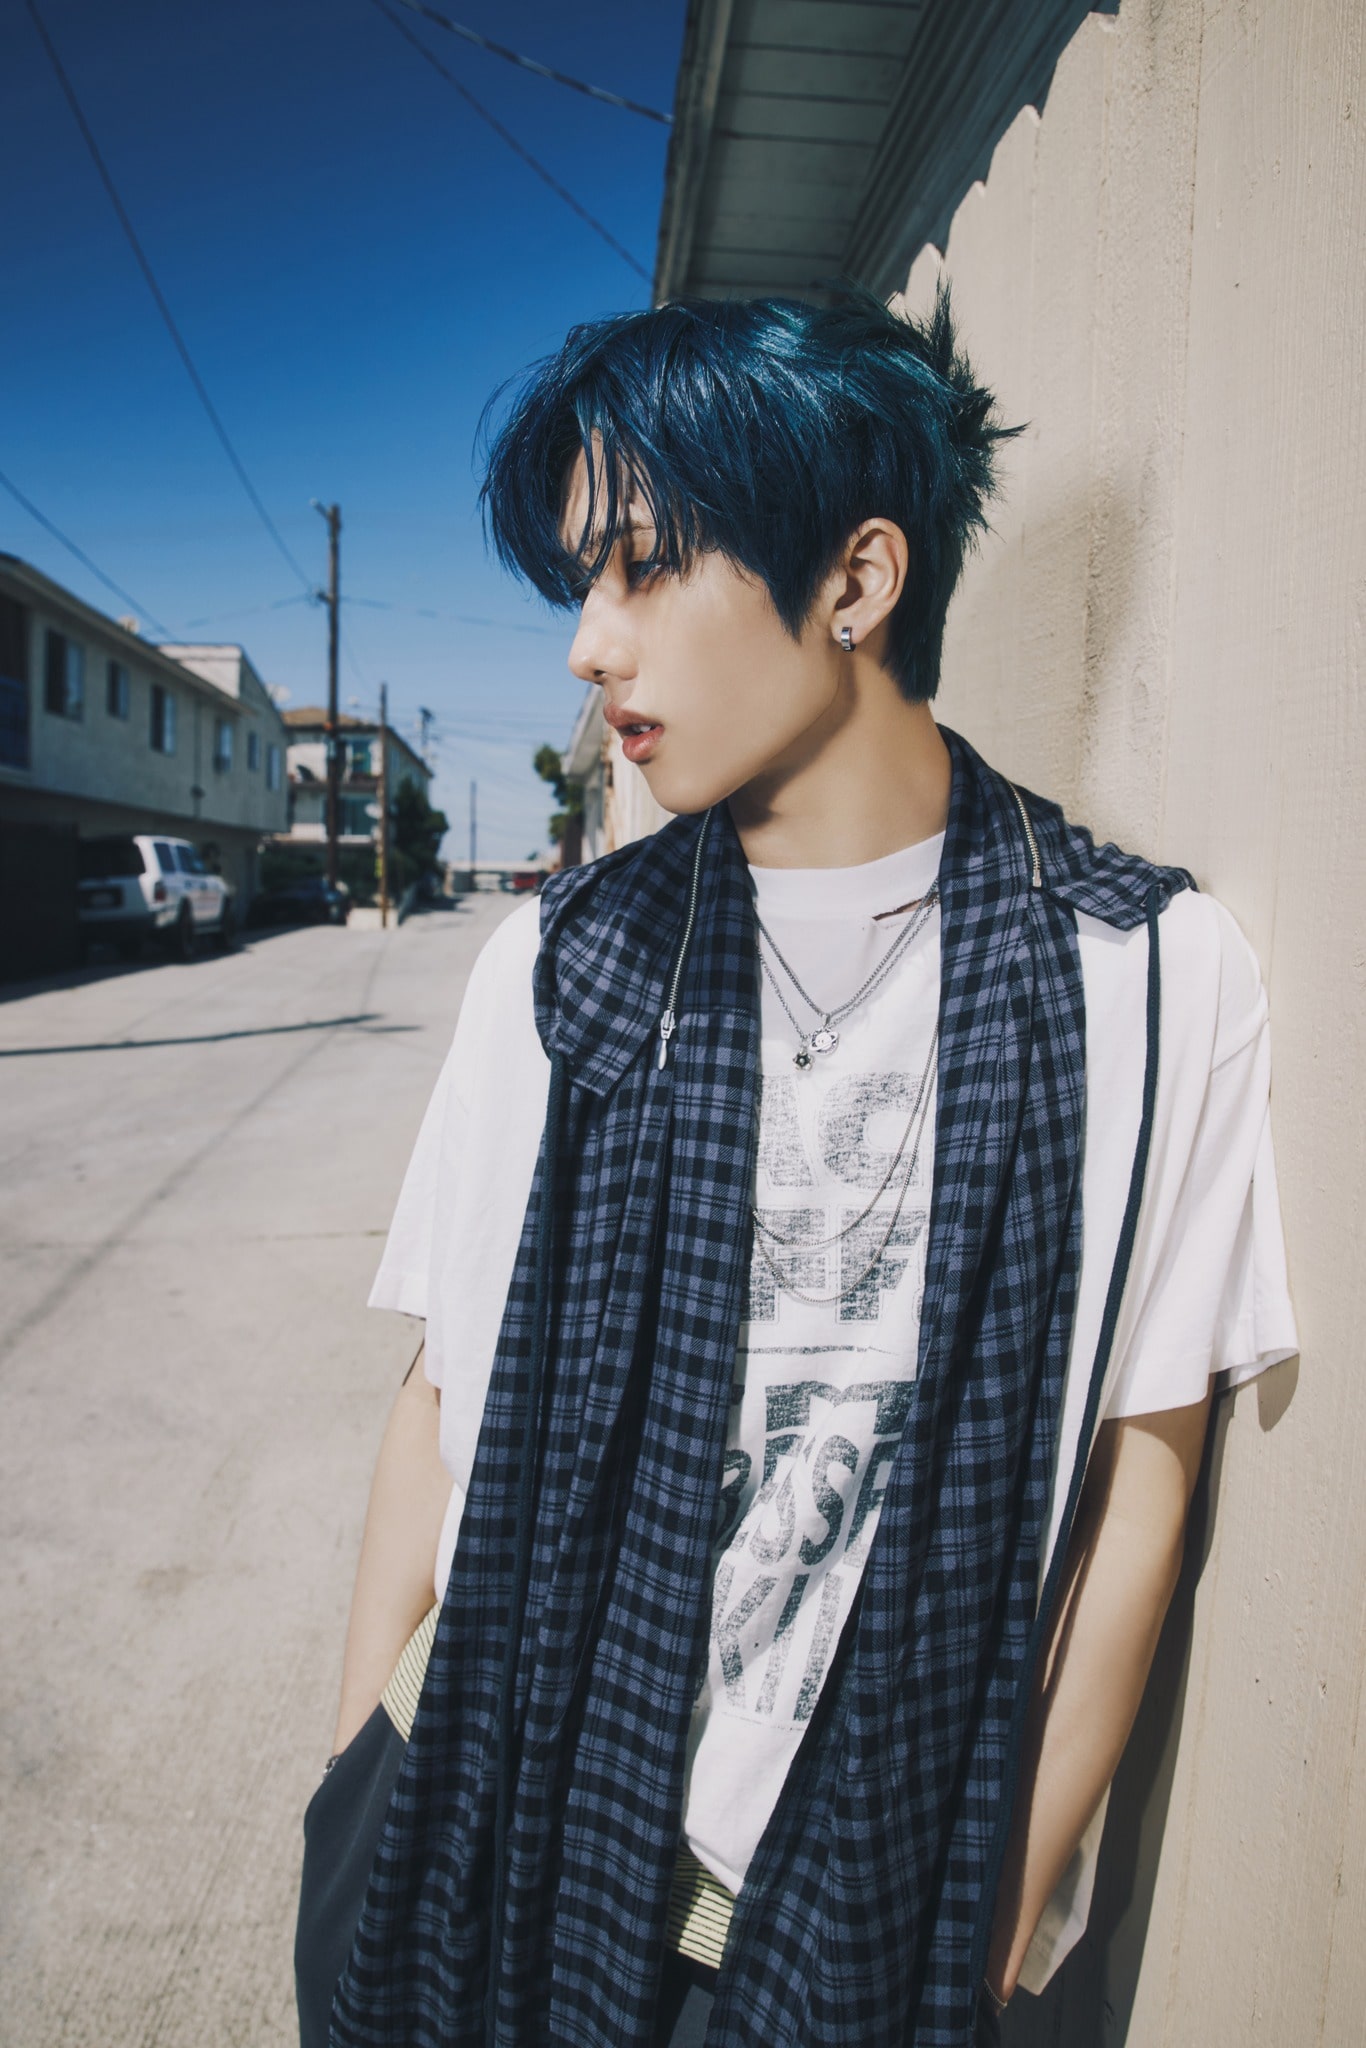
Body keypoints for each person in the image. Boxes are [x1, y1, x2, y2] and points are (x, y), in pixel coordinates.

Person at [295, 287, 1296, 2048]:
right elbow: (440, 1393)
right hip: (499, 1848)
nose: (587, 647)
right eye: (581, 582)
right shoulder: (561, 967)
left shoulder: (1142, 977)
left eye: (640, 570)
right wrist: (356, 1797)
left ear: (856, 580)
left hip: (864, 1917)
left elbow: (1138, 1488)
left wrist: (977, 1944)